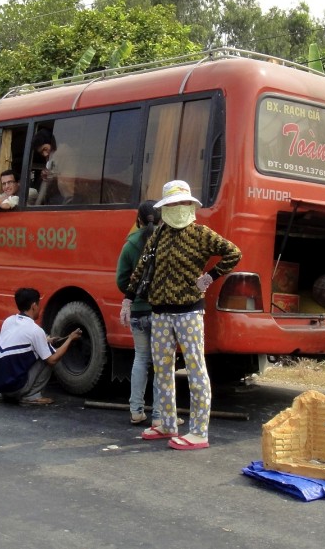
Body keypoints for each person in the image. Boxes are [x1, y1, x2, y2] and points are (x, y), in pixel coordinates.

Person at [122, 180, 241, 450]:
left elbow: (233, 253)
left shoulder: (201, 234)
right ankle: (167, 423)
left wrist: (210, 277)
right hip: (161, 313)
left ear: (190, 205)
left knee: (196, 369)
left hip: (189, 313)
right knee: (162, 370)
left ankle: (199, 431)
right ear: (165, 208)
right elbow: (141, 268)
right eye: (172, 204)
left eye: (181, 203)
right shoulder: (159, 235)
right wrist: (128, 299)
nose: (177, 208)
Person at [0, 288, 83, 405]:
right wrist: (70, 339)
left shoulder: (8, 321)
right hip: (15, 389)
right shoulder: (35, 330)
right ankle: (32, 396)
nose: (40, 308)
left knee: (37, 352)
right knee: (48, 358)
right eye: (39, 305)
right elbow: (52, 360)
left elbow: (20, 341)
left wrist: (45, 341)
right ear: (34, 306)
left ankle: (4, 394)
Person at [116, 200, 161, 425]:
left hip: (138, 312)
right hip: (160, 312)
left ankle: (136, 411)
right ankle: (160, 417)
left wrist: (133, 294)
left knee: (141, 359)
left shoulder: (131, 243)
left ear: (139, 219)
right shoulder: (164, 242)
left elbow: (121, 279)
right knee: (162, 362)